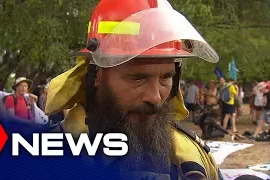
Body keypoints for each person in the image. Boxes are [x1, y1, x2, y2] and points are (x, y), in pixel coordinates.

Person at [45, 0, 223, 179]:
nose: (155, 97)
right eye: (138, 78)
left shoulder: (193, 158)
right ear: (97, 74)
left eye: (165, 78)